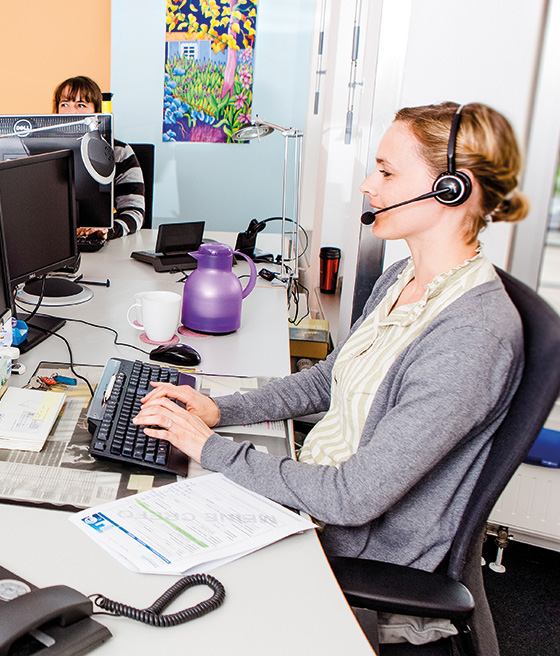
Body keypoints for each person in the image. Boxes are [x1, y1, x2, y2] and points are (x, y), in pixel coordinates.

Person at [134, 102, 528, 641]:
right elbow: (329, 378)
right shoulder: (403, 277)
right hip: (314, 494)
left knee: (156, 584)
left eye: (386, 172)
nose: (368, 185)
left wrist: (210, 448)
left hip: (352, 543)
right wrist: (218, 410)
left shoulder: (471, 336)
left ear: (452, 189)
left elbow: (352, 497)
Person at [52, 76, 145, 239]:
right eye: (64, 104)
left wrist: (107, 230)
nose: (71, 111)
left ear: (96, 111)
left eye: (81, 105)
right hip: (53, 239)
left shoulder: (119, 152)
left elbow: (134, 212)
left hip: (100, 242)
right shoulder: (44, 153)